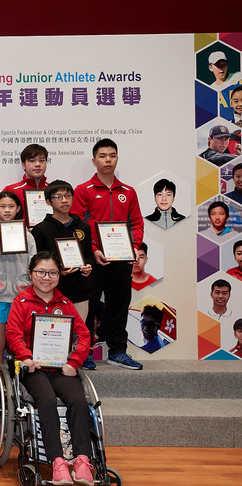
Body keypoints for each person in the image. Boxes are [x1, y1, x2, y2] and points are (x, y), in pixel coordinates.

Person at [6, 251, 95, 486]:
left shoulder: (65, 304)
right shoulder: (21, 302)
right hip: (33, 368)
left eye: (53, 273)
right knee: (45, 400)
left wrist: (74, 362)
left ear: (59, 275)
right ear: (31, 274)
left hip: (60, 367)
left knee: (78, 399)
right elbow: (13, 334)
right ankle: (57, 462)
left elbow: (84, 334)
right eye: (41, 272)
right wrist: (25, 358)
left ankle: (83, 460)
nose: (47, 277)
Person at [71, 138, 144, 371]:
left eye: (112, 155)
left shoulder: (128, 192)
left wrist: (134, 246)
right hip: (93, 258)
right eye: (102, 156)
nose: (108, 159)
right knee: (89, 306)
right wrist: (93, 249)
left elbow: (137, 223)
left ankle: (118, 352)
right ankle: (84, 352)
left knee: (119, 304)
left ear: (117, 159)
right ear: (94, 161)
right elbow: (78, 226)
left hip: (122, 258)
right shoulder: (83, 190)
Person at [0, 191, 37, 368]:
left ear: (18, 209)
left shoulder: (27, 235)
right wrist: (4, 238)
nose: (7, 211)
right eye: (2, 206)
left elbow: (34, 264)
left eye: (11, 206)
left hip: (21, 296)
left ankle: (20, 385)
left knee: (19, 343)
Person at [31, 180, 94, 323]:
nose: (64, 200)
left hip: (80, 290)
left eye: (68, 196)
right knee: (56, 334)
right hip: (52, 291)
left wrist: (89, 266)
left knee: (78, 334)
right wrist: (57, 270)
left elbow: (88, 255)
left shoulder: (83, 227)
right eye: (58, 197)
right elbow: (37, 261)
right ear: (48, 202)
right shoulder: (41, 229)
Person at [3, 143, 49, 223]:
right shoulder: (10, 190)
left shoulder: (54, 190)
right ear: (23, 165)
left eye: (41, 160)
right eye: (32, 161)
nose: (38, 164)